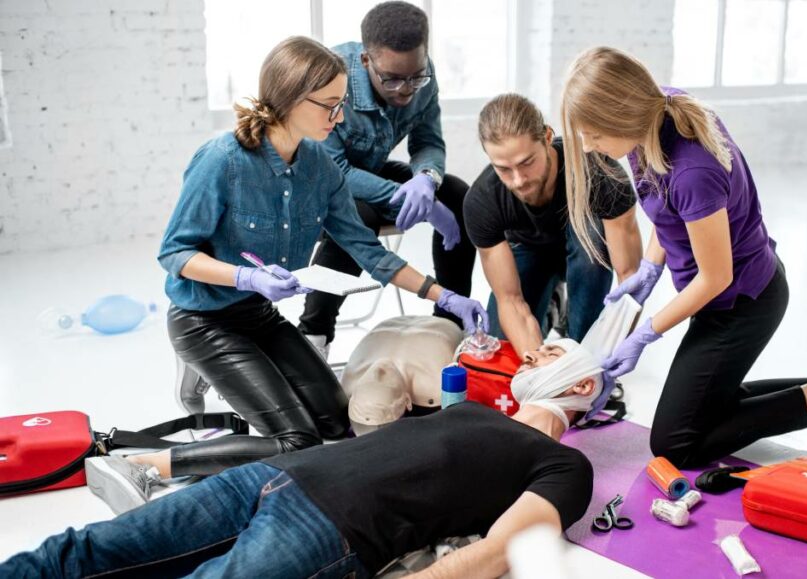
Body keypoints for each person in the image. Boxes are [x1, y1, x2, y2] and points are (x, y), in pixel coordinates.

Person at [124, 36, 486, 506]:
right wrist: (248, 276)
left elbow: (364, 248)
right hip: (205, 322)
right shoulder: (222, 160)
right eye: (330, 107)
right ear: (292, 99)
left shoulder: (319, 165)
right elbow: (174, 253)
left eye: (340, 106)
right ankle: (148, 465)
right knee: (299, 440)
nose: (338, 119)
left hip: (258, 317)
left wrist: (444, 296)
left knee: (340, 422)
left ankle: (238, 459)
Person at [560, 47, 807, 468]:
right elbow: (668, 211)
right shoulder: (655, 111)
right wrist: (651, 267)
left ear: (623, 115)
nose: (588, 146)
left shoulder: (691, 171)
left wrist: (644, 334)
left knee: (676, 444)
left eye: (594, 134)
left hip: (743, 303)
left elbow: (715, 276)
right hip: (726, 296)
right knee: (698, 411)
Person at [1, 344, 598, 579]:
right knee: (89, 550)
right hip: (269, 479)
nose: (534, 349)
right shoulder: (464, 407)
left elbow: (497, 553)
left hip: (332, 530)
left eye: (554, 349)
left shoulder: (566, 467)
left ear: (576, 386)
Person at [299, 0, 477, 358]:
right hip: (316, 186)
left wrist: (426, 179)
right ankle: (315, 334)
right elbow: (337, 174)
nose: (406, 89)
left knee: (458, 195)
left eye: (416, 75)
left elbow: (427, 142)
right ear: (366, 61)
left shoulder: (421, 75)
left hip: (369, 172)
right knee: (357, 215)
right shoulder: (330, 81)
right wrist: (414, 202)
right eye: (392, 78)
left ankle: (450, 321)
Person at [465, 93, 642, 356]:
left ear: (547, 137)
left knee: (589, 243)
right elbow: (510, 300)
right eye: (504, 169)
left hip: (588, 253)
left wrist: (602, 360)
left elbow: (629, 278)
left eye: (527, 163)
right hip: (529, 249)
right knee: (506, 348)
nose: (518, 180)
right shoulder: (483, 200)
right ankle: (554, 305)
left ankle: (581, 342)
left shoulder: (600, 173)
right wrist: (538, 365)